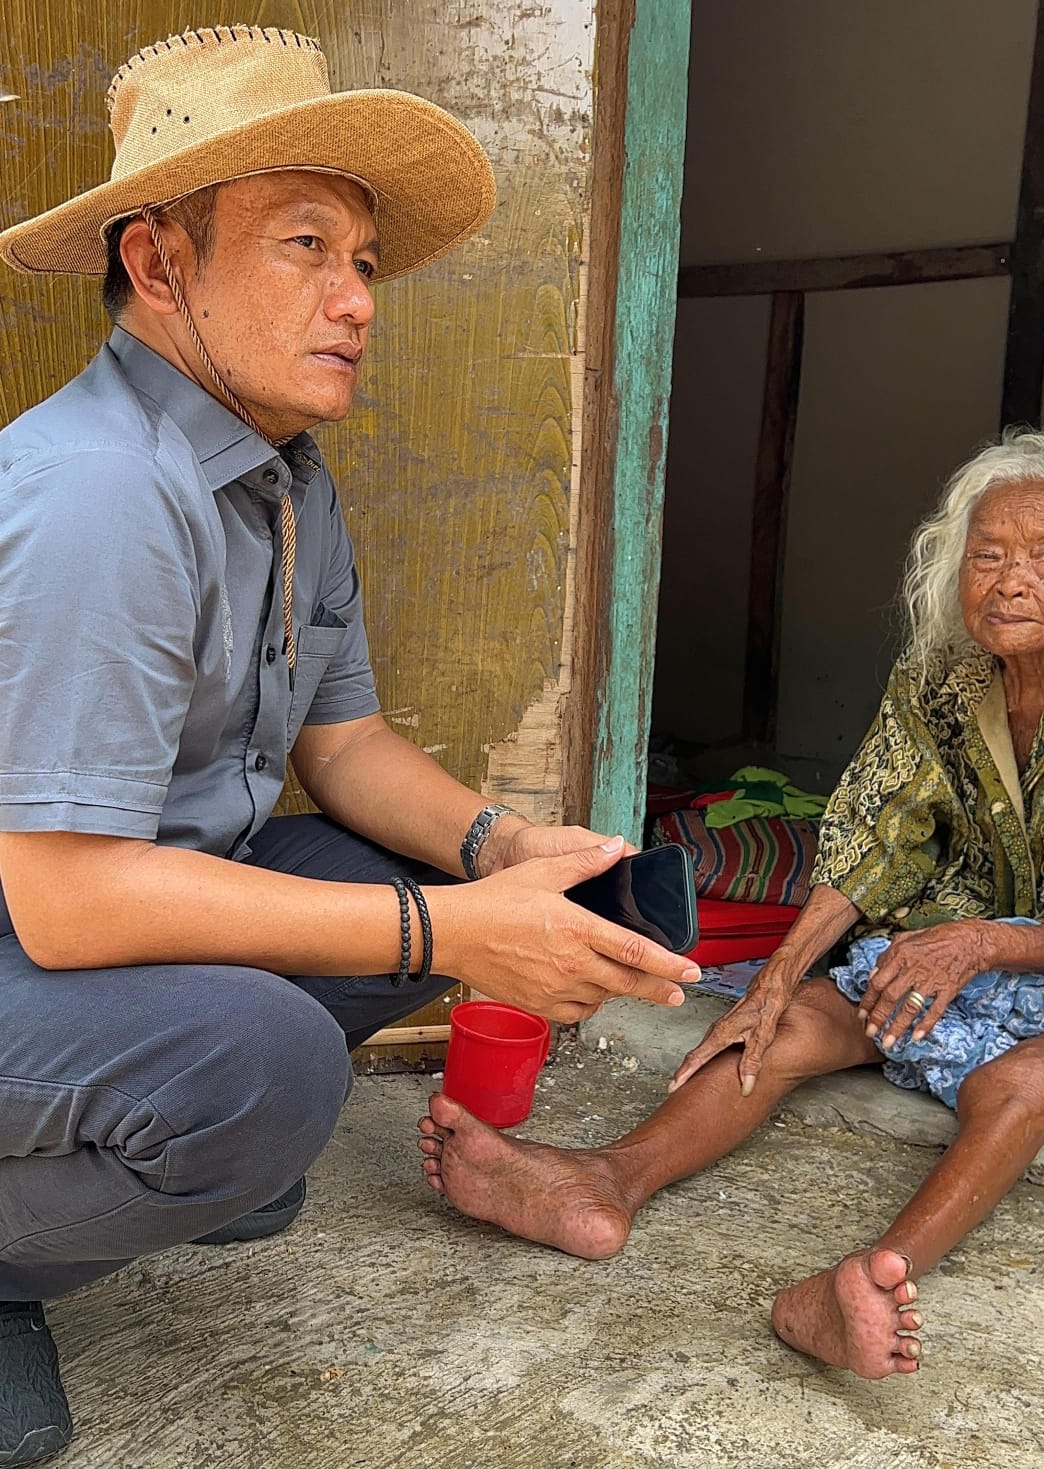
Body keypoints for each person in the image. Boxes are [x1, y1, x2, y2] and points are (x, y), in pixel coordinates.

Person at [0, 25, 700, 1467]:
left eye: (364, 262)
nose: (353, 300)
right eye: (303, 246)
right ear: (158, 262)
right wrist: (449, 920)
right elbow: (66, 901)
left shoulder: (280, 481)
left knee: (387, 879)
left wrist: (506, 858)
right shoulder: (100, 496)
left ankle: (124, 1162)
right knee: (270, 1067)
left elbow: (350, 741)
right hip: (32, 926)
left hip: (77, 930)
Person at [420, 429, 1044, 1381]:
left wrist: (982, 943)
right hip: (960, 942)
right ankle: (604, 1180)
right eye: (989, 554)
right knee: (787, 1024)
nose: (1011, 580)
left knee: (1026, 1082)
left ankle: (862, 1281)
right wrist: (773, 979)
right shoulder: (943, 674)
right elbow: (875, 828)